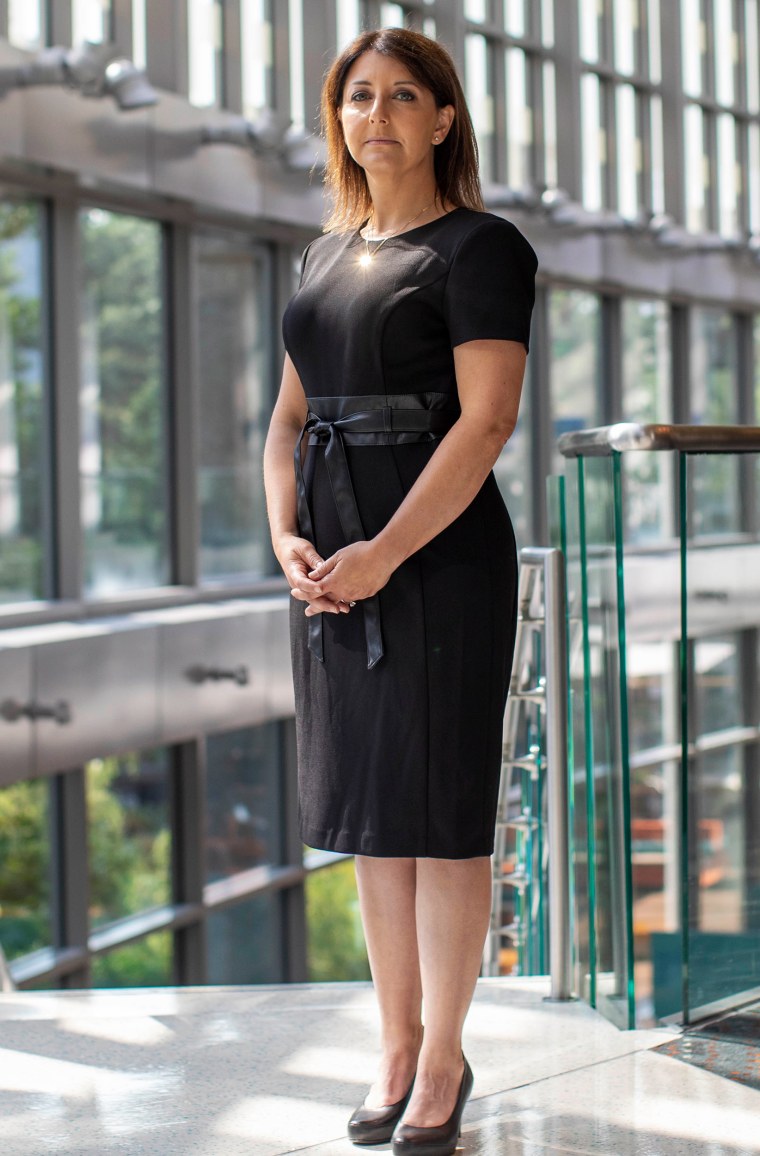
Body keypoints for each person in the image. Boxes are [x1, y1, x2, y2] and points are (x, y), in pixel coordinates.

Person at [263, 26, 537, 1156]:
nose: (373, 115)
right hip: (330, 567)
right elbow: (285, 421)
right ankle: (393, 1043)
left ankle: (441, 1062)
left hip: (437, 559)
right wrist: (284, 532)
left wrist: (382, 550)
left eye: (400, 96)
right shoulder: (321, 258)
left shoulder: (482, 248)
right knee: (376, 824)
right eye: (355, 97)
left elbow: (485, 423)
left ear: (442, 118)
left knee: (440, 821)